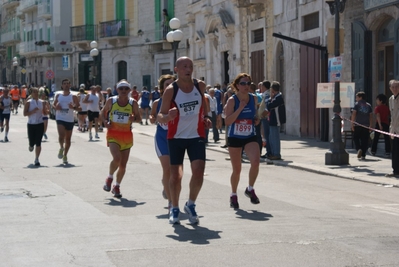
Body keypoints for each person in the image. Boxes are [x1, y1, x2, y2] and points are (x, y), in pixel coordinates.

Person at [158, 56, 211, 225]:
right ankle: (174, 208)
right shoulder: (171, 91)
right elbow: (160, 116)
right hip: (176, 137)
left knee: (198, 171)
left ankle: (191, 204)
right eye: (184, 66)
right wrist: (168, 116)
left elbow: (205, 102)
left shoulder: (199, 86)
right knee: (176, 176)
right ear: (177, 70)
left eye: (190, 66)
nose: (188, 69)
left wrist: (207, 117)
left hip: (196, 135)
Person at [224, 73, 261, 209]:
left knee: (256, 162)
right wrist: (240, 108)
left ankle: (250, 189)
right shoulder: (232, 101)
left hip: (249, 135)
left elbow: (255, 115)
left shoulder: (254, 99)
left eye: (248, 83)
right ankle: (233, 194)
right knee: (237, 169)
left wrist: (256, 119)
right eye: (243, 83)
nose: (246, 86)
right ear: (237, 86)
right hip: (235, 136)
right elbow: (227, 121)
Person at [100, 79, 141, 198]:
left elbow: (139, 118)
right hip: (113, 133)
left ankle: (116, 186)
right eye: (121, 88)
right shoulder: (111, 101)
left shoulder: (133, 103)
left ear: (129, 90)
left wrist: (134, 119)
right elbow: (103, 113)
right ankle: (109, 177)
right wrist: (105, 122)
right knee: (116, 158)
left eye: (126, 89)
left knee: (123, 165)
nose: (123, 91)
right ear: (117, 89)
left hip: (127, 136)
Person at [149, 74, 176, 210]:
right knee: (167, 168)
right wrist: (152, 118)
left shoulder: (179, 101)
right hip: (161, 137)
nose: (170, 87)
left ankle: (167, 186)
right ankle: (171, 202)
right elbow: (152, 115)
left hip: (176, 138)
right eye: (167, 85)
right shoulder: (157, 102)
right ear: (161, 89)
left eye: (172, 84)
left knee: (175, 170)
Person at [53, 79, 81, 164]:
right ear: (62, 86)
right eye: (64, 84)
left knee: (68, 139)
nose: (66, 85)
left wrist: (74, 108)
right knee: (61, 135)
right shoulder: (58, 95)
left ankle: (65, 155)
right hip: (60, 118)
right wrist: (56, 107)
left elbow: (80, 108)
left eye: (67, 84)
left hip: (69, 119)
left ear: (70, 85)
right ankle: (61, 147)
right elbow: (53, 105)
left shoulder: (73, 96)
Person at [23, 87, 46, 166]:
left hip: (40, 124)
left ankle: (36, 159)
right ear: (31, 94)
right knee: (32, 142)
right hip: (31, 124)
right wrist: (32, 111)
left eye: (37, 92)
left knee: (38, 142)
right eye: (34, 92)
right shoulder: (28, 102)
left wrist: (50, 110)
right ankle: (31, 145)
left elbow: (45, 112)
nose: (36, 94)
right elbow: (24, 114)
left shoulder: (42, 102)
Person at [265, 81, 286, 160]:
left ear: (273, 89)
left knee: (275, 137)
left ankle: (276, 154)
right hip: (272, 120)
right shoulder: (275, 97)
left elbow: (269, 105)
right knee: (271, 137)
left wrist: (270, 98)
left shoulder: (278, 97)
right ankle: (273, 153)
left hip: (276, 120)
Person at [351, 91, 372, 160]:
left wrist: (352, 124)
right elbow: (371, 116)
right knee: (365, 140)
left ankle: (359, 148)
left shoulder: (356, 105)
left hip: (358, 124)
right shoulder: (368, 105)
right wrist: (370, 126)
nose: (356, 98)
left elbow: (354, 114)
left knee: (356, 138)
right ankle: (363, 154)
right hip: (366, 125)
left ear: (360, 97)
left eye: (357, 97)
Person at [386, 80, 399, 177]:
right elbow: (392, 115)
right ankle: (395, 171)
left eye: (397, 86)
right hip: (394, 130)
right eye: (393, 87)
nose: (395, 89)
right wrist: (391, 129)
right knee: (394, 151)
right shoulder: (391, 99)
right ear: (390, 88)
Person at [259, 80, 272, 158]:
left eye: (261, 86)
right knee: (266, 135)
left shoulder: (267, 94)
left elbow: (267, 106)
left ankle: (269, 151)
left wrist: (263, 114)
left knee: (267, 135)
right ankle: (268, 151)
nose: (261, 88)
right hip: (264, 117)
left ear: (264, 87)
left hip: (265, 117)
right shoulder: (265, 94)